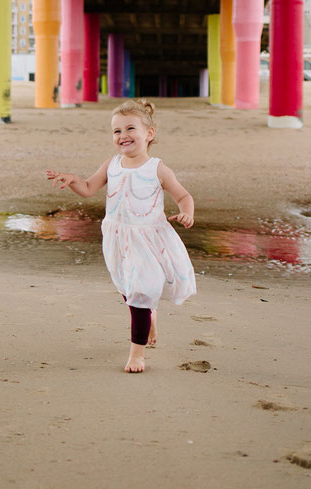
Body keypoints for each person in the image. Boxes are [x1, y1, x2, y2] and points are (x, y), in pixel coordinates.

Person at [45, 99, 197, 373]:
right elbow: (89, 187)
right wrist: (72, 180)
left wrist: (187, 213)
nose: (123, 135)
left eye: (130, 128)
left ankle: (137, 354)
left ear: (148, 134)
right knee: (128, 289)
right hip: (117, 237)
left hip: (149, 239)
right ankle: (149, 315)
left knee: (140, 291)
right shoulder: (111, 164)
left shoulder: (157, 169)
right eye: (117, 131)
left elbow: (183, 196)